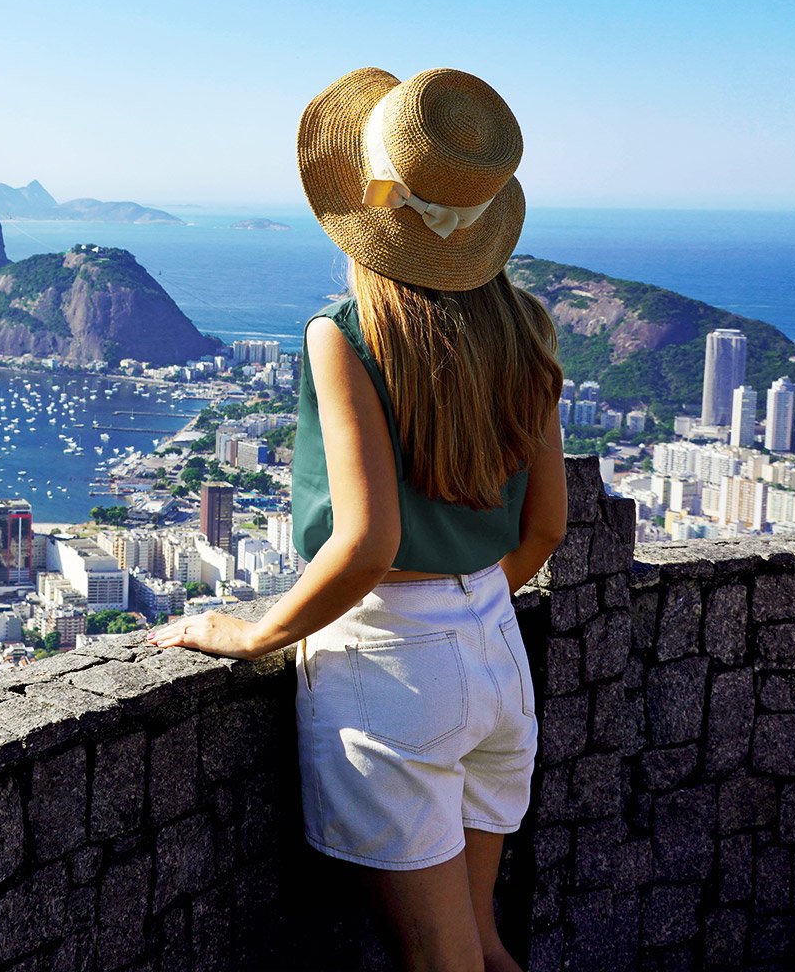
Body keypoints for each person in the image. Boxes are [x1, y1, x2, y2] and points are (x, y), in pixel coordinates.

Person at [147, 67, 568, 972]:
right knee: (486, 946)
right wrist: (464, 610)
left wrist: (251, 632)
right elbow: (546, 529)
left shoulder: (343, 332)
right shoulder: (529, 324)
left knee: (440, 964)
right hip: (498, 657)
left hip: (391, 670)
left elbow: (368, 542)